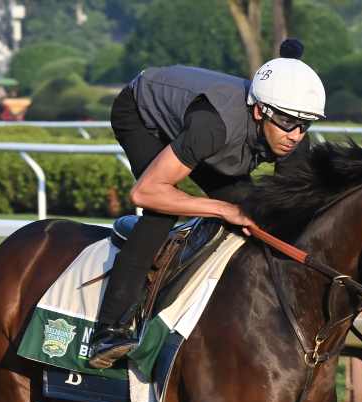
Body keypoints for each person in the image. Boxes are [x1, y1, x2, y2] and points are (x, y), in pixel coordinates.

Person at [87, 39, 327, 369]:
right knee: (161, 214)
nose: (295, 135)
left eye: (305, 125)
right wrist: (223, 209)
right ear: (260, 111)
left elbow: (292, 214)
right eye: (287, 123)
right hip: (144, 116)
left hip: (204, 137)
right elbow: (145, 193)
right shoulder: (212, 126)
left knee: (259, 215)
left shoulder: (292, 132)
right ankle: (108, 330)